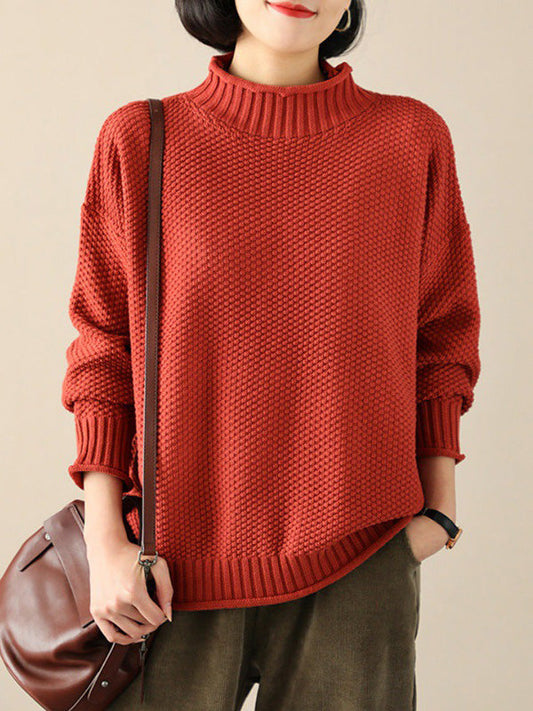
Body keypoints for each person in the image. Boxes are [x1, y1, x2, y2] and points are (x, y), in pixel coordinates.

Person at [60, 1, 481, 709]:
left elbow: (441, 332)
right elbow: (103, 348)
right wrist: (105, 541)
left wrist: (438, 511)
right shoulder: (141, 138)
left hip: (360, 557)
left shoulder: (409, 139)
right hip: (166, 574)